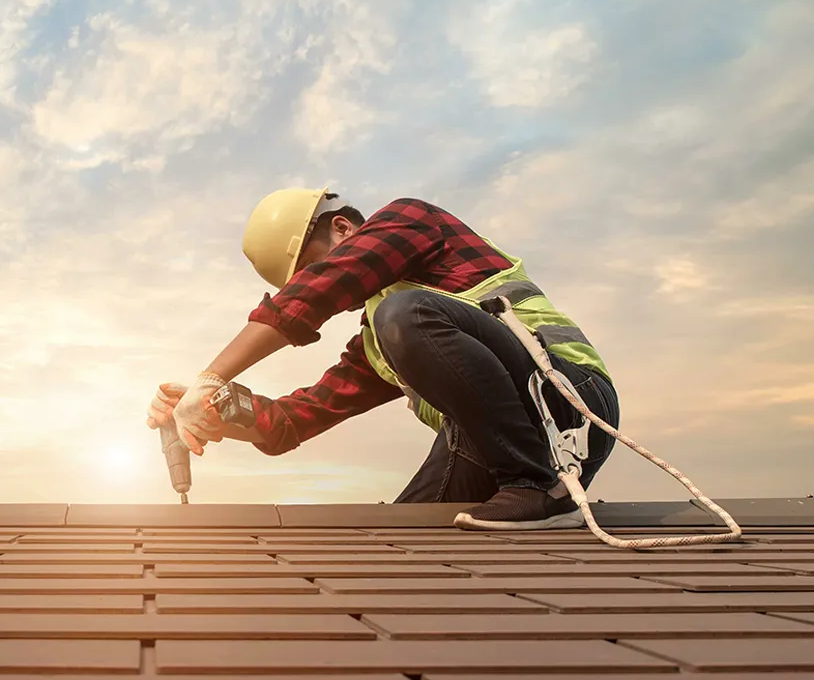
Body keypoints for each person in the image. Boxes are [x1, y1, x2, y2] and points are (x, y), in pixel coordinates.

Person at [147, 187, 619, 529]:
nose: (325, 280)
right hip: (489, 445)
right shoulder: (383, 341)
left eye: (316, 266)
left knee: (404, 312)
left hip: (569, 401)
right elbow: (295, 419)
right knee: (406, 538)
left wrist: (212, 374)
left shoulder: (411, 221)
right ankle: (528, 493)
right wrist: (217, 407)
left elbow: (322, 292)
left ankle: (538, 489)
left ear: (343, 227)